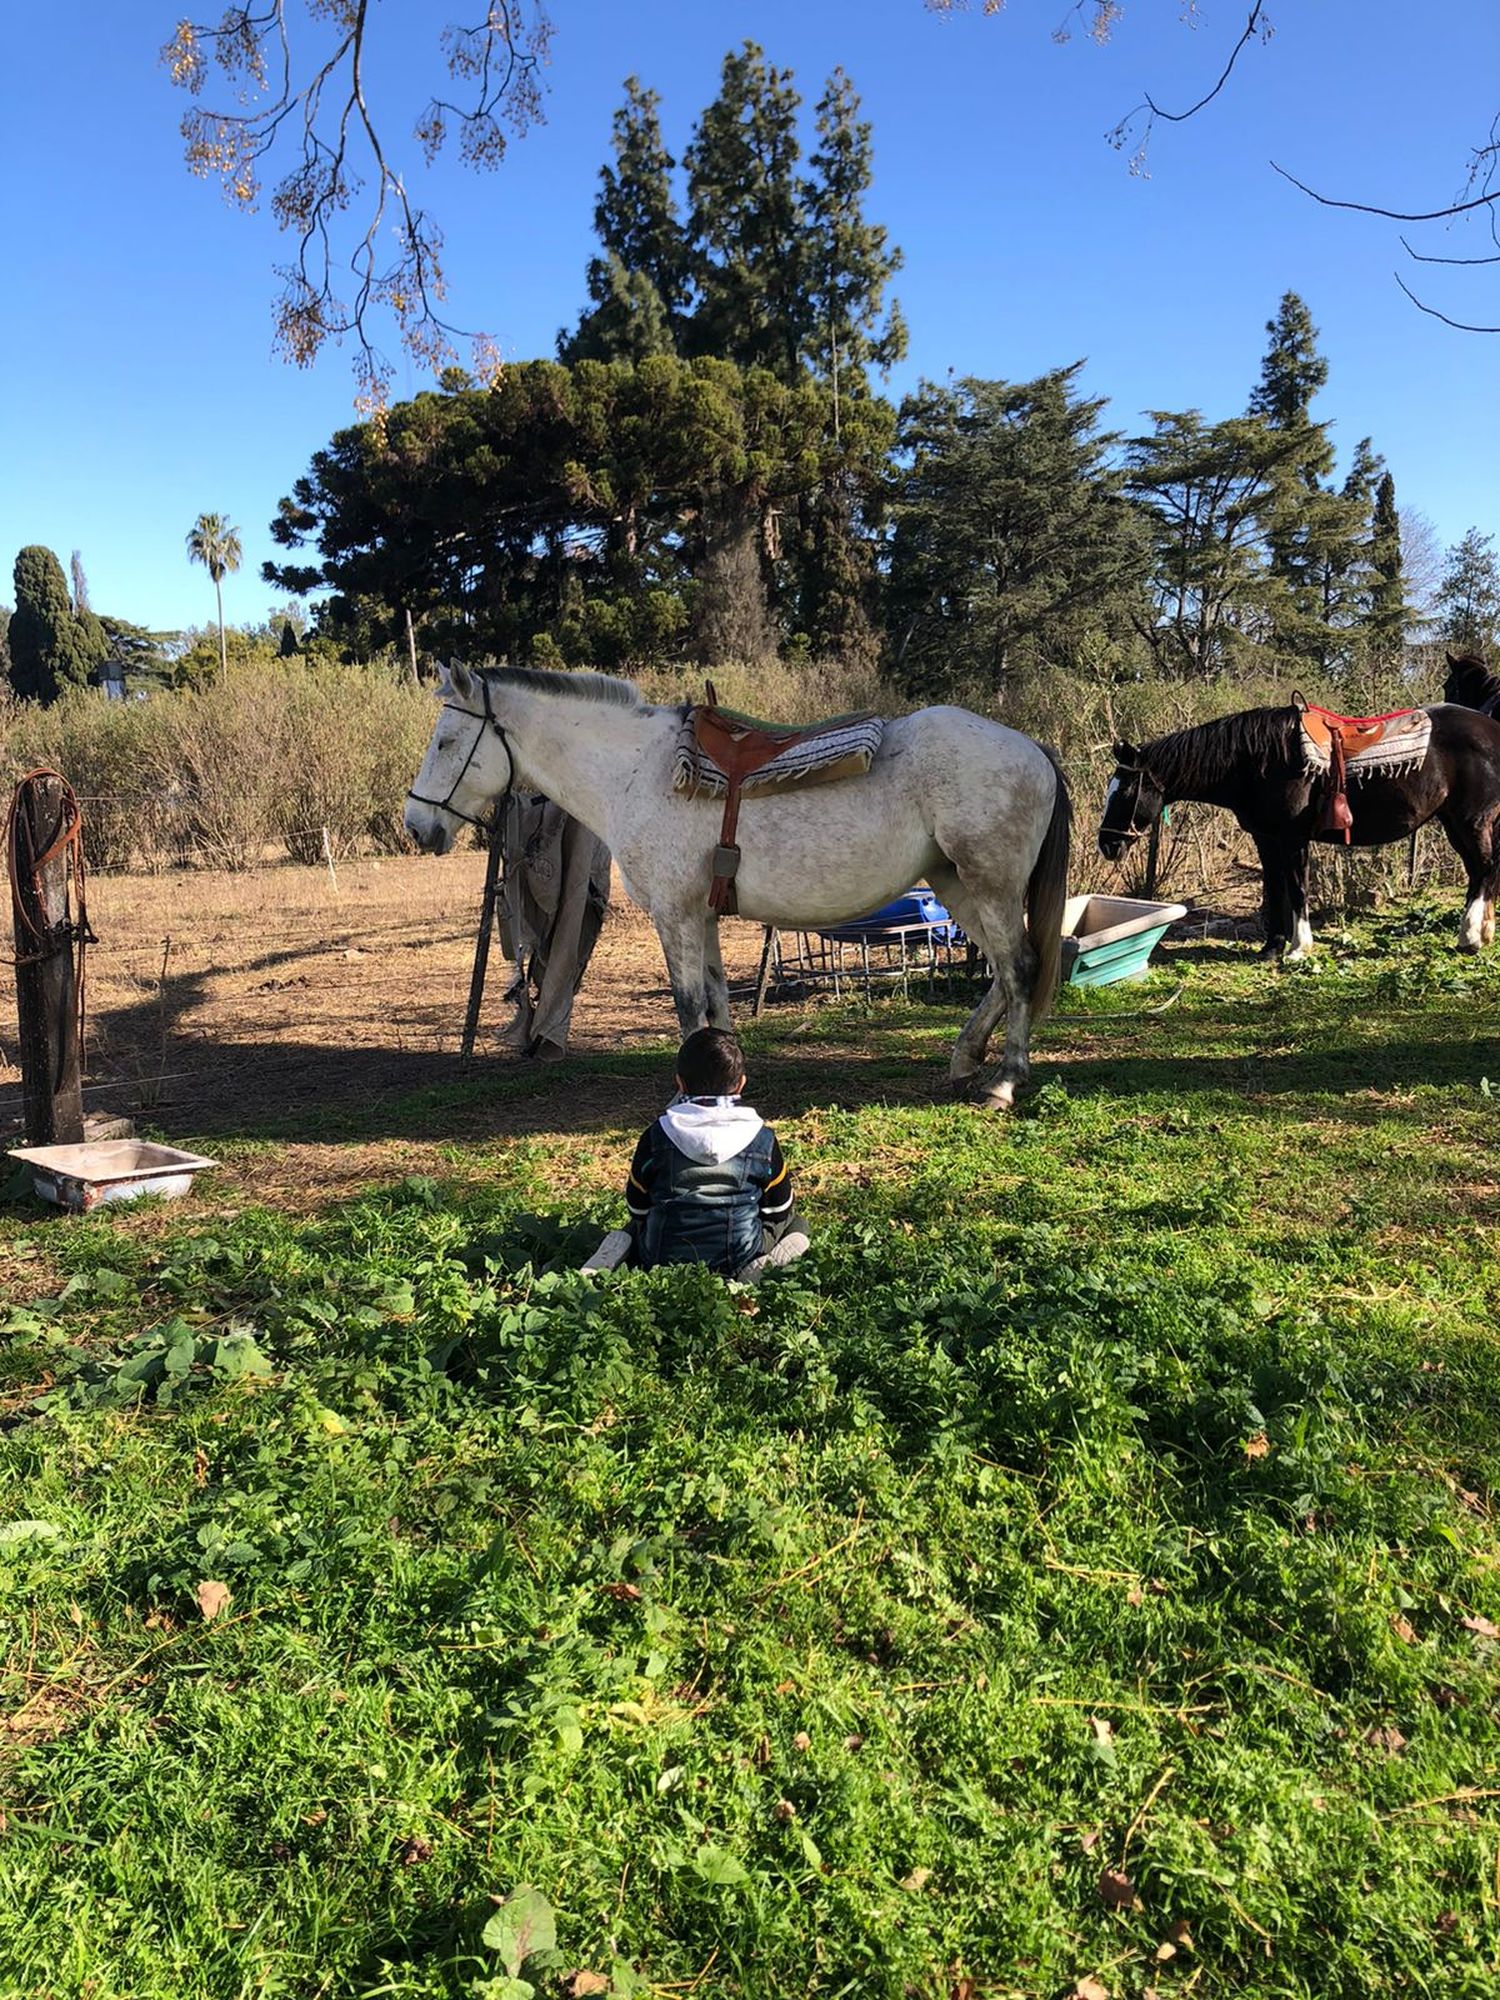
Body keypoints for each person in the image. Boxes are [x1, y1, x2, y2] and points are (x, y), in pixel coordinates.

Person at [613, 1027, 808, 1276]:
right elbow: (778, 1209)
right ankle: (765, 1265)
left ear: (680, 1084)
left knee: (635, 1227)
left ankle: (619, 1249)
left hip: (662, 1256)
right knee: (797, 1222)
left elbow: (637, 1206)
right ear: (741, 1084)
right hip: (739, 1256)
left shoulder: (657, 1135)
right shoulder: (762, 1139)